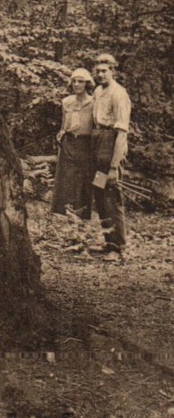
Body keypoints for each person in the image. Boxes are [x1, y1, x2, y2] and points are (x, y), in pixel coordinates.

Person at [91, 53, 131, 262]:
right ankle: (108, 241)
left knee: (112, 195)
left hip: (111, 144)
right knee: (100, 194)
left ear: (113, 71)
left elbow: (122, 133)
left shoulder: (119, 94)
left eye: (104, 70)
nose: (100, 74)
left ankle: (118, 246)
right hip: (98, 145)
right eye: (97, 71)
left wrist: (114, 166)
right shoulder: (98, 91)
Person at [51, 68, 95, 230]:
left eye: (80, 81)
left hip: (85, 145)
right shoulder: (67, 102)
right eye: (74, 81)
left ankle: (82, 219)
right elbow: (64, 124)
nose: (77, 84)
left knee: (82, 180)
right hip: (69, 143)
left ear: (87, 83)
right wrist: (62, 133)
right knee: (67, 179)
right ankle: (67, 217)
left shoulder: (93, 102)